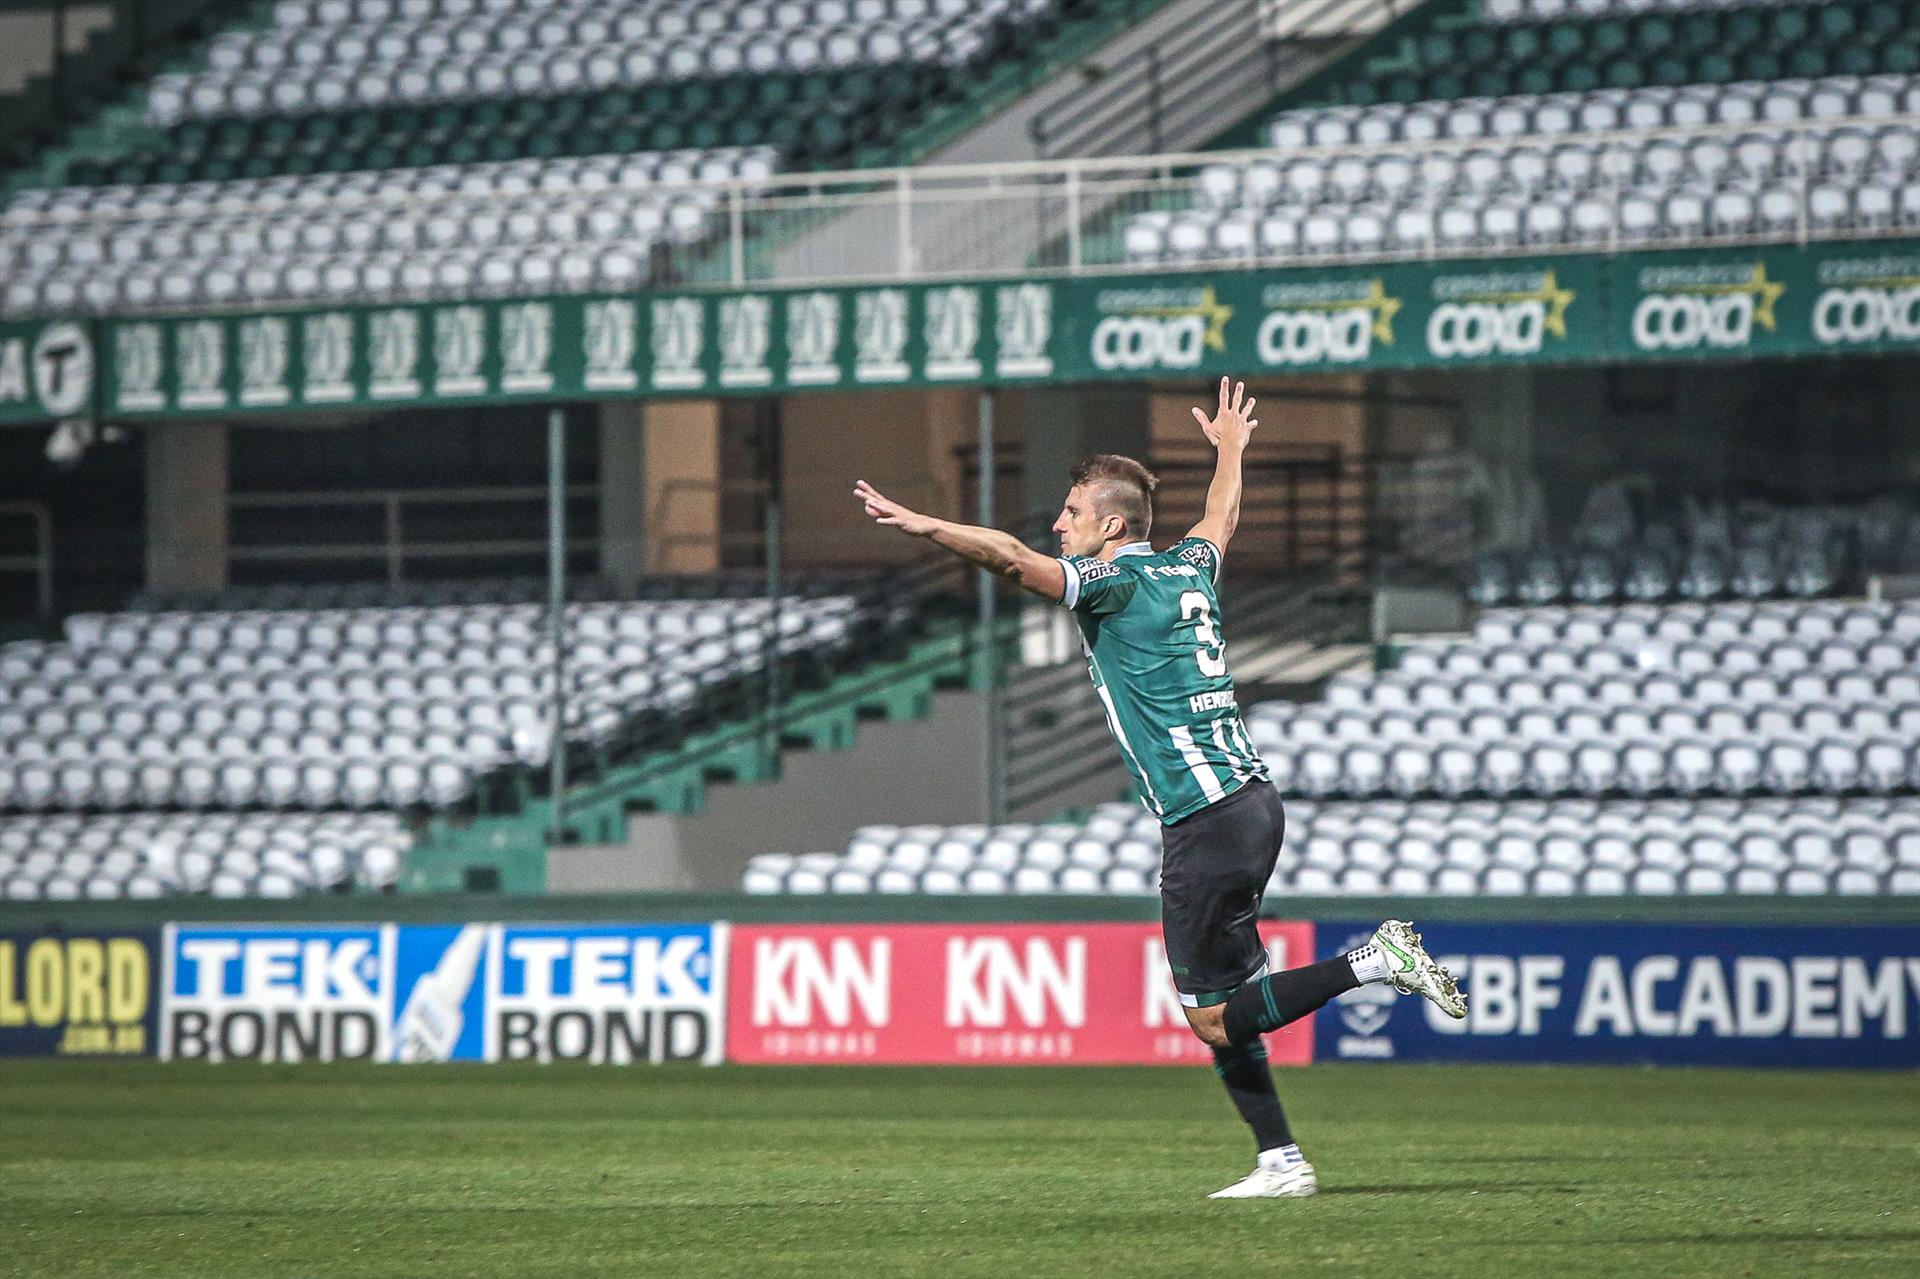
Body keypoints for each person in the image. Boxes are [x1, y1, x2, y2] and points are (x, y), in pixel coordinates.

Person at [854, 377, 1466, 1200]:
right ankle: (1280, 1160)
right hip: (1252, 803)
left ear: (1110, 526)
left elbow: (1007, 555)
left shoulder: (1111, 584)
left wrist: (928, 525)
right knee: (1229, 1003)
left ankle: (1372, 961)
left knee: (1212, 1017)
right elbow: (1222, 517)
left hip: (1205, 819)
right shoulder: (1186, 567)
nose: (1058, 525)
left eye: (1071, 513)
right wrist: (1231, 450)